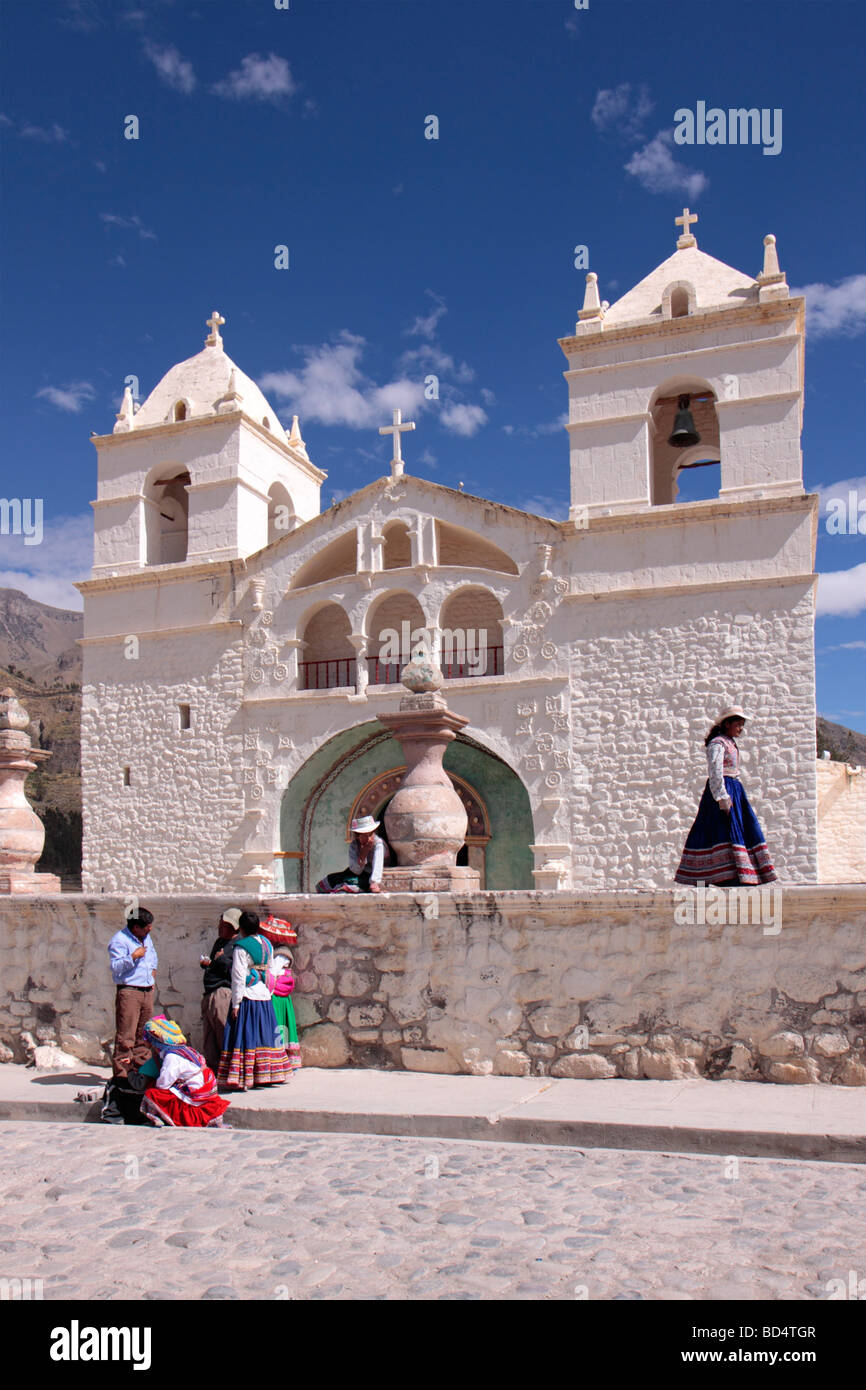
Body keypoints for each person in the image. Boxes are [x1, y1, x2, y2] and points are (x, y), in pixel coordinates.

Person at [675, 705, 777, 886]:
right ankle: (722, 873)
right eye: (738, 724)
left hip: (734, 789)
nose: (741, 729)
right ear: (727, 723)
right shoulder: (718, 743)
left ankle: (739, 872)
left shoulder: (729, 742)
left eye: (742, 725)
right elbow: (715, 771)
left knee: (739, 828)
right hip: (723, 790)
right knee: (720, 830)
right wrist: (721, 796)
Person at [218, 910, 291, 1090]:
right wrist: (266, 986)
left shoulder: (241, 947)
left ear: (240, 928)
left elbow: (238, 976)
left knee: (247, 1036)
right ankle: (268, 1074)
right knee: (264, 1035)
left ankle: (246, 1076)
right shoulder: (267, 944)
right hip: (264, 996)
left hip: (248, 996)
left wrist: (235, 1003)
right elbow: (272, 971)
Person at [139, 1015, 230, 1128]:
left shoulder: (172, 1057)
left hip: (196, 1093)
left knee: (152, 1092)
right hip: (205, 1087)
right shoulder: (185, 1050)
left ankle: (161, 1119)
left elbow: (163, 1084)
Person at [107, 906, 158, 1078]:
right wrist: (133, 957)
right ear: (136, 927)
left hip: (146, 991)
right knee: (126, 1036)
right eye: (146, 927)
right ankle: (122, 1075)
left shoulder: (146, 938)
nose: (149, 930)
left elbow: (153, 957)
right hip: (130, 992)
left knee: (144, 1036)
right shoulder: (119, 941)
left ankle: (141, 1072)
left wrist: (152, 975)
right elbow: (115, 968)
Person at [199, 907, 242, 1073]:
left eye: (224, 925)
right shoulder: (219, 943)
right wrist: (209, 963)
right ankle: (213, 1071)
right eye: (220, 924)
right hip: (210, 992)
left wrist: (221, 960)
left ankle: (229, 1071)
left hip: (223, 993)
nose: (220, 927)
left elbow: (236, 971)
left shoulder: (237, 945)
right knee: (209, 1036)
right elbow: (215, 963)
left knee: (223, 1032)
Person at [316, 815, 388, 893]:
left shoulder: (378, 845)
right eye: (364, 835)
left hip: (369, 874)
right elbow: (356, 870)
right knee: (330, 880)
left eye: (370, 834)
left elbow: (378, 864)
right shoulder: (354, 845)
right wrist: (363, 853)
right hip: (357, 873)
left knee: (350, 885)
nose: (368, 838)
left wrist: (374, 882)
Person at [267, 946, 302, 1074]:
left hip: (277, 996)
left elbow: (273, 972)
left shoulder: (281, 954)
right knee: (283, 1026)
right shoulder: (281, 952)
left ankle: (281, 1061)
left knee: (279, 1026)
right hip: (283, 997)